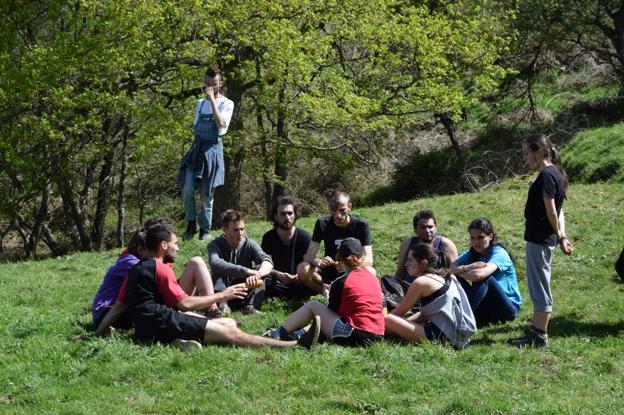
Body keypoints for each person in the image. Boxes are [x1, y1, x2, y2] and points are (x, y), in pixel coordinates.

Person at [123, 223, 319, 350]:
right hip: (161, 323)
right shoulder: (159, 267)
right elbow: (184, 304)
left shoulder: (140, 267)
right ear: (163, 245)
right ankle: (295, 345)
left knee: (230, 323)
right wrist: (222, 295)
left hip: (148, 327)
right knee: (232, 333)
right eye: (175, 243)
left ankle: (181, 342)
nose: (178, 247)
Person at [94, 219, 224, 336]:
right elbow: (120, 305)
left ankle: (212, 310)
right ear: (142, 249)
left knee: (196, 262)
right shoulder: (137, 266)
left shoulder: (148, 264)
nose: (177, 248)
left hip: (124, 310)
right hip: (108, 312)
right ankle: (208, 323)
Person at [508, 134, 574, 348]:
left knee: (539, 287)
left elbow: (553, 212)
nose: (525, 158)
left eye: (528, 153)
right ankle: (536, 333)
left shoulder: (547, 175)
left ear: (540, 152)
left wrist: (558, 234)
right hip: (546, 239)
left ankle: (539, 336)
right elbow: (560, 212)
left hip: (539, 239)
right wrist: (561, 236)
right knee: (539, 285)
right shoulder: (557, 173)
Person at [265, 238, 384, 347]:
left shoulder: (341, 282)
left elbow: (330, 312)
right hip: (378, 335)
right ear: (362, 258)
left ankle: (278, 333)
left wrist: (327, 294)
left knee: (313, 306)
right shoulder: (374, 279)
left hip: (355, 336)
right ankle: (300, 333)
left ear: (340, 260)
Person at [178, 67, 234, 241]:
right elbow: (196, 127)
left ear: (220, 83)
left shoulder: (227, 103)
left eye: (214, 84)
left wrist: (212, 101)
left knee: (205, 194)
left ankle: (205, 230)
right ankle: (190, 224)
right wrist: (207, 101)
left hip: (212, 151)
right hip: (196, 151)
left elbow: (221, 125)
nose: (210, 87)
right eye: (208, 84)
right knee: (187, 189)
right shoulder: (199, 104)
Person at [384, 243, 476, 349]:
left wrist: (392, 324)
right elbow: (424, 314)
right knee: (397, 321)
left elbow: (398, 313)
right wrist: (403, 325)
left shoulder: (421, 282)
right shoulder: (447, 276)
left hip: (443, 338)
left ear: (423, 263)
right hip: (459, 337)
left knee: (387, 319)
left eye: (410, 260)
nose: (405, 264)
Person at [381, 210, 458, 313]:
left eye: (430, 227)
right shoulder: (408, 244)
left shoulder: (446, 245)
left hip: (432, 291)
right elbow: (400, 271)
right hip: (409, 288)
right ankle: (403, 309)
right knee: (387, 280)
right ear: (415, 230)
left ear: (436, 226)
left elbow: (453, 273)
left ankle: (403, 312)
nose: (427, 231)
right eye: (423, 227)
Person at [297, 190, 373, 294]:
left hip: (353, 270)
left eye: (342, 210)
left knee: (370, 271)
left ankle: (352, 295)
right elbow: (308, 256)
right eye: (333, 210)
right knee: (302, 268)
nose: (338, 215)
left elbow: (369, 259)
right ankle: (327, 291)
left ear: (349, 207)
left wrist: (349, 265)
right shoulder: (322, 223)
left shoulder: (361, 225)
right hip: (329, 270)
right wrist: (319, 262)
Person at [451, 217, 522, 326]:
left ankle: (463, 318)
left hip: (506, 309)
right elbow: (449, 268)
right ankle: (452, 314)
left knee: (485, 277)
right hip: (487, 307)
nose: (476, 242)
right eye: (472, 238)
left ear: (490, 236)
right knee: (453, 277)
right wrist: (466, 268)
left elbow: (479, 275)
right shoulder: (472, 253)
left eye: (480, 237)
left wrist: (459, 271)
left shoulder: (500, 253)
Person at [207, 210, 273, 315]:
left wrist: (258, 274)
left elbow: (267, 261)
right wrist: (246, 271)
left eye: (242, 229)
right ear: (225, 230)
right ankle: (223, 306)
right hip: (222, 291)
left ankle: (250, 306)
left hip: (244, 287)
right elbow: (215, 262)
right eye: (236, 230)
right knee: (219, 269)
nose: (240, 233)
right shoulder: (214, 245)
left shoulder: (249, 243)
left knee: (261, 268)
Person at [261, 196, 316, 301]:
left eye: (290, 213)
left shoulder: (304, 236)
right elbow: (264, 264)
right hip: (277, 280)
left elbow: (308, 263)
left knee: (314, 276)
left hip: (299, 280)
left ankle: (292, 294)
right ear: (276, 216)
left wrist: (300, 276)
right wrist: (279, 275)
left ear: (295, 215)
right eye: (282, 214)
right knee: (261, 276)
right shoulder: (268, 238)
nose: (287, 217)